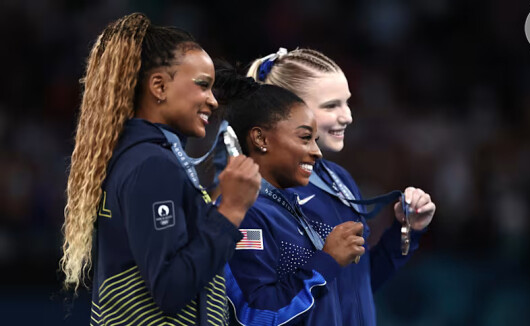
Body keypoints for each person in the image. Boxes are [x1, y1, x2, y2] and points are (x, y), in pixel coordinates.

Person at [59, 13, 261, 326]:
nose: (211, 100)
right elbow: (170, 288)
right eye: (203, 86)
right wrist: (231, 211)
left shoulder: (134, 157)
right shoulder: (152, 165)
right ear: (159, 87)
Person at [246, 48, 436, 325]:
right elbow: (255, 315)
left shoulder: (338, 179)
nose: (347, 116)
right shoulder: (252, 194)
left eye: (347, 103)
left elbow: (355, 286)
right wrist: (327, 262)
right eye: (331, 105)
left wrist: (406, 230)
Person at [213, 67, 366, 325]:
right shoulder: (244, 214)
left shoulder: (289, 207)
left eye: (316, 140)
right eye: (305, 138)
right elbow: (257, 316)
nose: (317, 151)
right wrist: (327, 261)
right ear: (261, 138)